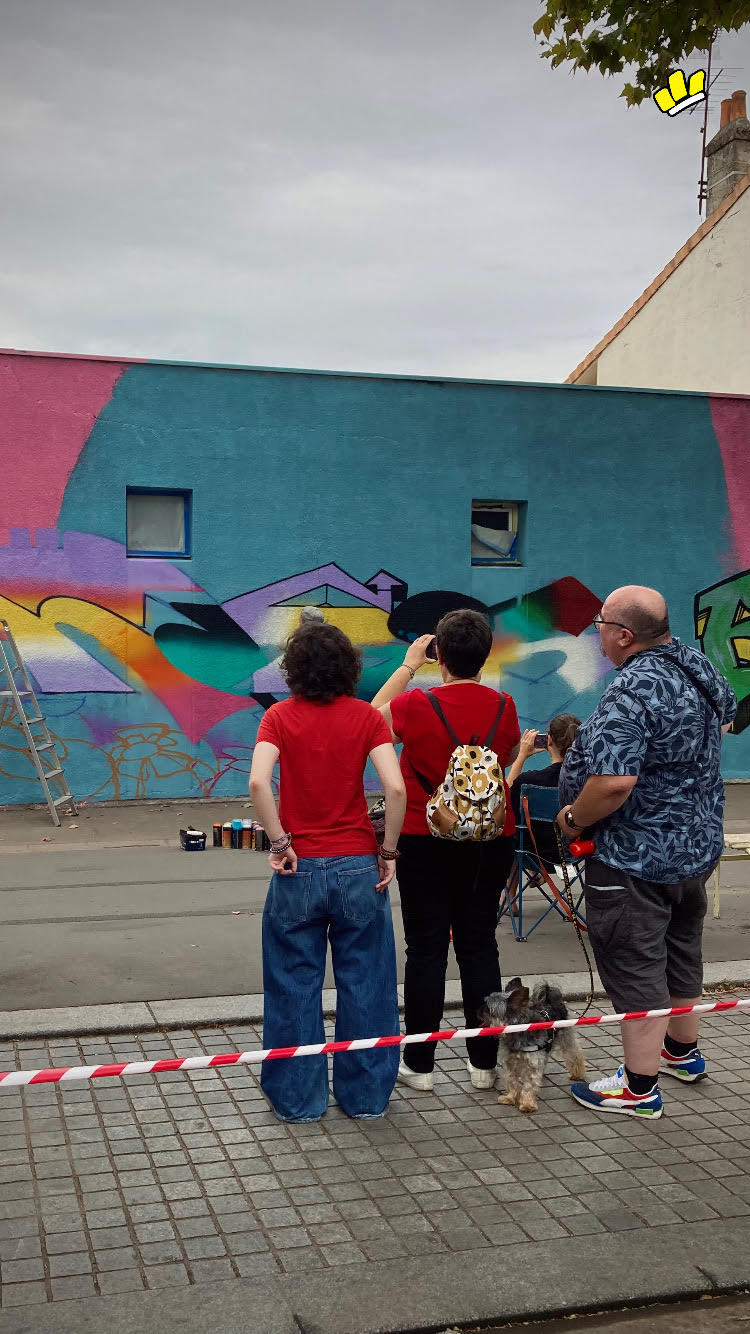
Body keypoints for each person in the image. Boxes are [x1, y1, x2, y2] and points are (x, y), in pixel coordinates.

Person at [557, 585, 736, 1119]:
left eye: (600, 623)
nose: (596, 632)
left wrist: (571, 818)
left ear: (624, 635)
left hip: (635, 859)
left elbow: (613, 784)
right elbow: (726, 718)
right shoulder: (695, 666)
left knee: (636, 966)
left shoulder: (630, 690)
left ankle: (638, 1089)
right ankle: (682, 1054)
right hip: (695, 847)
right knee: (682, 954)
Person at [249, 622, 407, 1123]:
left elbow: (257, 781)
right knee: (367, 984)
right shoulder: (366, 718)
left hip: (300, 869)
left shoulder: (278, 716)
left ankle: (299, 1101)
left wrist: (280, 842)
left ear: (293, 669)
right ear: (349, 667)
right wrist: (389, 852)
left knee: (294, 983)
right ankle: (365, 1099)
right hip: (359, 866)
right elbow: (397, 791)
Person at [371, 608, 520, 1092]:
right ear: (486, 654)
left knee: (426, 951)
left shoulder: (416, 704)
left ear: (440, 656)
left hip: (423, 837)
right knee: (480, 946)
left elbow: (369, 722)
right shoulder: (505, 706)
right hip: (490, 842)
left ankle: (419, 1065)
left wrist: (408, 666)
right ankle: (483, 1065)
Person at [504, 713, 581, 913]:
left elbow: (503, 798)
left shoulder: (530, 781)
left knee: (514, 830)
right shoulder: (586, 782)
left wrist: (521, 755)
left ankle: (510, 895)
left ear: (548, 741)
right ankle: (533, 875)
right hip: (573, 853)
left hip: (532, 853)